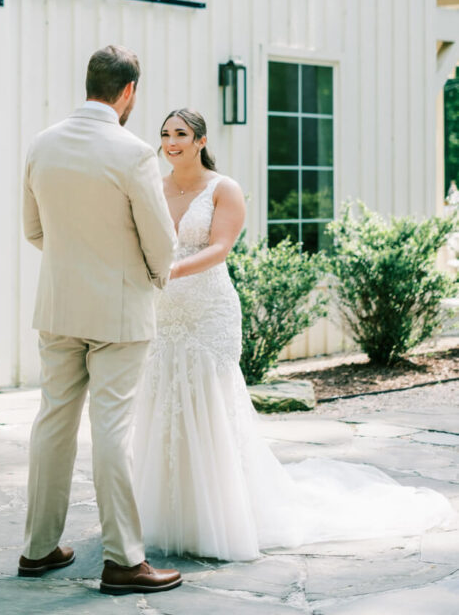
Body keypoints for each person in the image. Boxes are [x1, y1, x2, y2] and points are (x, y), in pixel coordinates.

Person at [133, 108, 455, 561]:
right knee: (165, 397)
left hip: (207, 308)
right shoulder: (153, 186)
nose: (171, 142)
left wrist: (168, 271)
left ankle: (223, 514)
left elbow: (220, 248)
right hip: (164, 311)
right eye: (165, 134)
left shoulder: (223, 189)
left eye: (181, 134)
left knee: (209, 401)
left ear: (200, 140)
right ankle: (168, 514)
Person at [18, 46, 183, 595]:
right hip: (118, 311)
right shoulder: (134, 152)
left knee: (52, 422)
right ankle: (123, 560)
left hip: (59, 305)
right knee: (111, 429)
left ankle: (39, 549)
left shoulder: (42, 143)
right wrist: (153, 281)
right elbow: (160, 240)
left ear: (89, 82)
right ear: (128, 91)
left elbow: (34, 231)